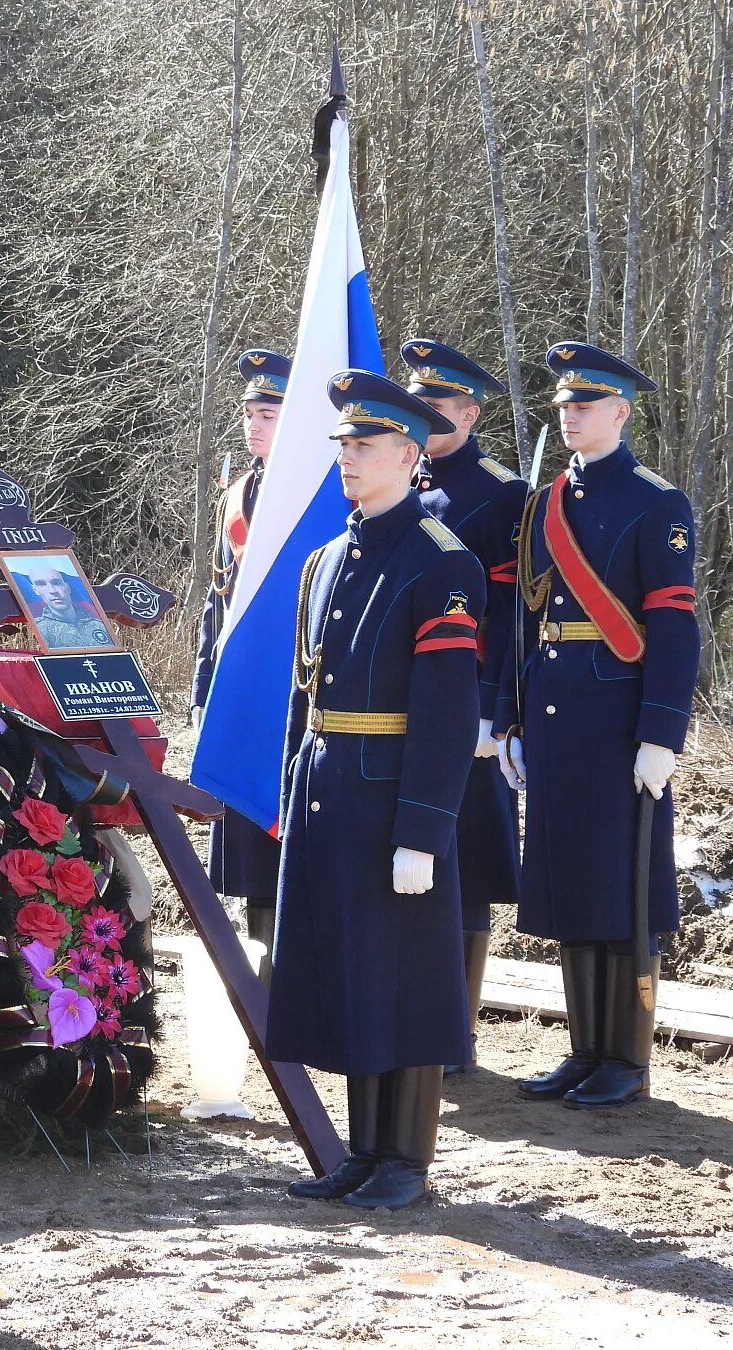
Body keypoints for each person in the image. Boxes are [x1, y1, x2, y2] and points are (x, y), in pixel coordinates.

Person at [270, 370, 483, 1211]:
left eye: (365, 446)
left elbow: (445, 709)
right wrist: (293, 793)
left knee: (407, 977)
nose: (348, 460)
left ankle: (406, 1160)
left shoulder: (443, 562)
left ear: (409, 453)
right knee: (353, 975)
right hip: (329, 791)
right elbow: (305, 691)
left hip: (394, 798)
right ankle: (362, 1153)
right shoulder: (327, 558)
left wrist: (424, 832)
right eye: (344, 446)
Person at [497, 343, 697, 1110]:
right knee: (569, 881)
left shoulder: (657, 502)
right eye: (564, 405)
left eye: (587, 404)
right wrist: (510, 718)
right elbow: (524, 618)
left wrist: (661, 733)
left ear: (620, 411)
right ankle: (584, 1050)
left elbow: (674, 627)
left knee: (625, 887)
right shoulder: (545, 505)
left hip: (619, 717)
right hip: (553, 711)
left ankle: (627, 1058)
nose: (572, 414)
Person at [402, 339, 525, 1072]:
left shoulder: (500, 491)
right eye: (415, 404)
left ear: (471, 412)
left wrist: (493, 710)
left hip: (466, 705)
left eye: (438, 406)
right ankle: (413, 1011)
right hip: (398, 705)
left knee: (466, 863)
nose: (424, 418)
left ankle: (457, 1029)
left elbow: (510, 609)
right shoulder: (397, 478)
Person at [192, 348, 291, 979]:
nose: (253, 424)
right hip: (244, 691)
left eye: (268, 412)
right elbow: (218, 598)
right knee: (251, 839)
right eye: (250, 411)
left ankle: (296, 964)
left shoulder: (317, 495)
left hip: (293, 688)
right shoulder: (239, 493)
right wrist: (204, 685)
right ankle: (264, 972)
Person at [25, 563, 111, 649]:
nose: (53, 591)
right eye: (41, 584)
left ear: (68, 588)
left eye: (56, 583)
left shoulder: (98, 625)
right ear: (35, 590)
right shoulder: (39, 629)